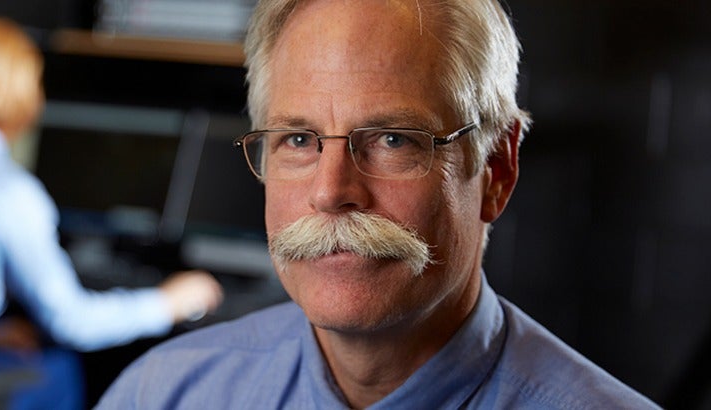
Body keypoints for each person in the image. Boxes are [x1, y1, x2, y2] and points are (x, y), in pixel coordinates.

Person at [97, 0, 659, 408]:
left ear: (496, 169)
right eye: (298, 140)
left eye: (394, 139)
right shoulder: (162, 394)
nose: (330, 191)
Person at [0, 17, 223, 408]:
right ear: (25, 96)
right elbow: (72, 322)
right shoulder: (9, 193)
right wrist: (169, 302)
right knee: (61, 367)